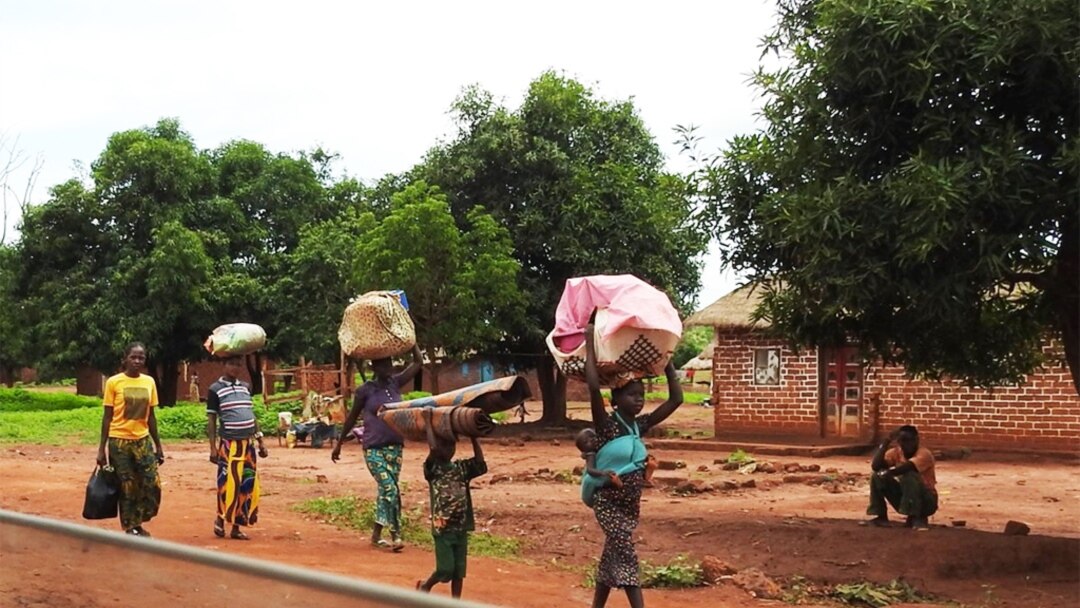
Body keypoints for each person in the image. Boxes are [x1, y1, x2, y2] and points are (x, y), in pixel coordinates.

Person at [585, 319, 683, 608]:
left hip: (630, 504)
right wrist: (590, 342)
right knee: (626, 556)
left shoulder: (640, 425)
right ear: (616, 399)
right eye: (632, 395)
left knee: (613, 556)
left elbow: (676, 399)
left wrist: (666, 360)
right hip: (608, 502)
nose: (639, 400)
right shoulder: (605, 426)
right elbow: (593, 388)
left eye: (641, 395)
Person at [331, 344, 423, 552]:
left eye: (389, 363)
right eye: (383, 365)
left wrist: (412, 341)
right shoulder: (366, 390)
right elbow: (352, 417)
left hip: (396, 448)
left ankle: (375, 535)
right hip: (373, 449)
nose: (388, 367)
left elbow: (418, 363)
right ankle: (396, 535)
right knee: (390, 488)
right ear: (374, 367)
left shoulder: (396, 383)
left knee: (388, 491)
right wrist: (339, 443)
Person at [416, 408, 487, 598]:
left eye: (450, 446)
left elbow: (480, 463)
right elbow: (432, 449)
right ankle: (426, 585)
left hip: (461, 526)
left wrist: (474, 437)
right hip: (443, 527)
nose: (447, 449)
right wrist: (429, 423)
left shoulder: (461, 468)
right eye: (443, 446)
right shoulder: (433, 469)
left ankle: (456, 602)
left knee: (459, 571)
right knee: (445, 569)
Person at [96, 342, 165, 537]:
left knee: (152, 483)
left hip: (142, 440)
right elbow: (107, 416)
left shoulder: (149, 382)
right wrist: (101, 449)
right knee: (127, 486)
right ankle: (131, 526)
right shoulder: (114, 382)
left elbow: (151, 416)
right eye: (133, 357)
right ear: (125, 359)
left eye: (140, 358)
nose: (136, 361)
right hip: (119, 441)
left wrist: (158, 445)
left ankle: (140, 518)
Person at [206, 355, 268, 540]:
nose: (235, 367)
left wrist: (260, 440)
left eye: (238, 365)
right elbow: (212, 419)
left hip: (247, 445)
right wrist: (212, 447)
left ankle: (236, 527)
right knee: (227, 485)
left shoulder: (245, 387)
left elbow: (251, 414)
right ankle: (220, 519)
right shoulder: (214, 390)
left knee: (246, 486)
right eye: (231, 364)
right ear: (224, 365)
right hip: (229, 445)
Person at [865, 425, 938, 530]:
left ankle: (917, 517)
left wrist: (888, 472)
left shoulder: (924, 454)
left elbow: (907, 468)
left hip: (927, 500)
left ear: (917, 440)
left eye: (910, 440)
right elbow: (876, 466)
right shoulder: (896, 452)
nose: (907, 444)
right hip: (906, 497)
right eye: (903, 441)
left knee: (909, 476)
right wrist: (886, 442)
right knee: (877, 476)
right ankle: (881, 516)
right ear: (899, 442)